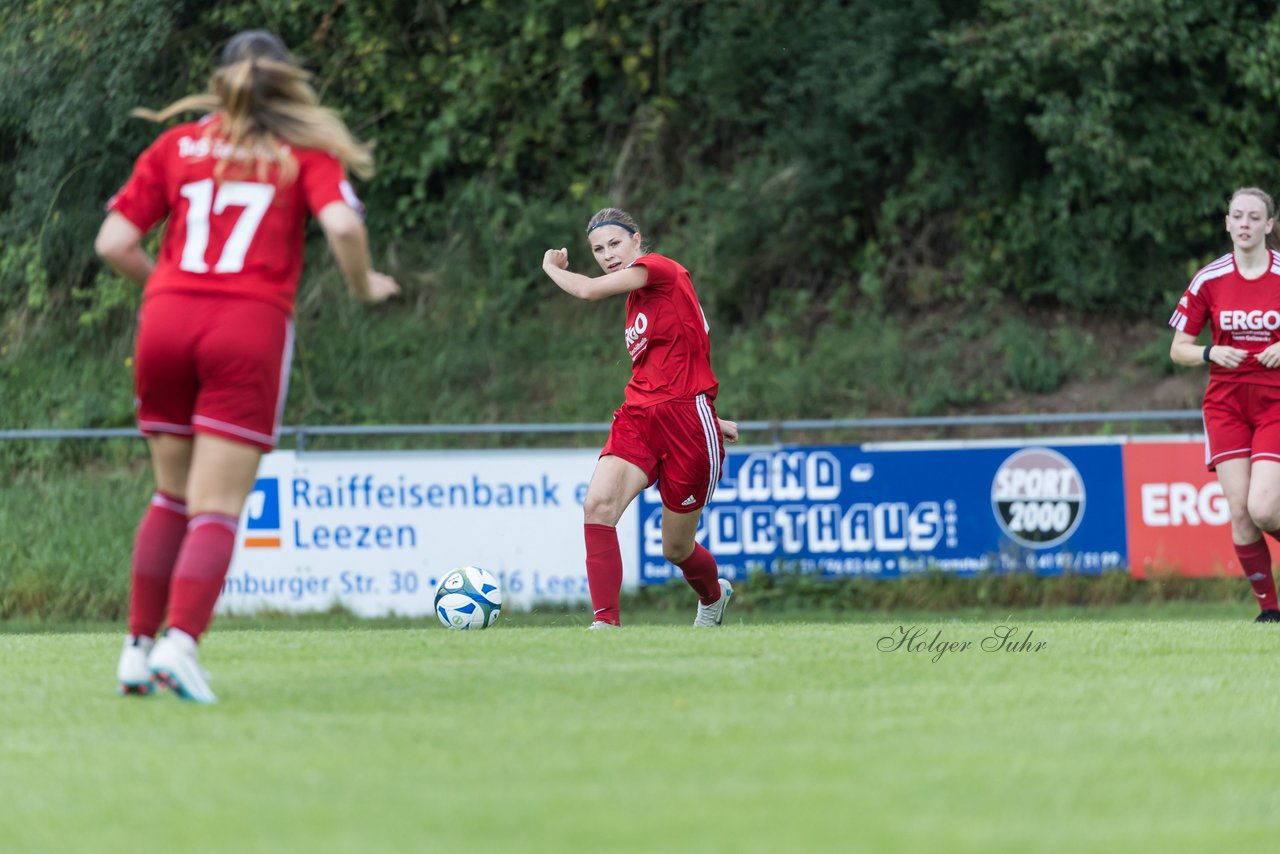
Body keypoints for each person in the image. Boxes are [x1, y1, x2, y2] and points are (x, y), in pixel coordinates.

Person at [95, 30, 400, 702]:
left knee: (169, 497)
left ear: (221, 80)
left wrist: (163, 289)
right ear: (286, 83)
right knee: (219, 506)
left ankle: (135, 651)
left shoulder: (175, 145)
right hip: (245, 325)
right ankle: (181, 645)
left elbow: (114, 241)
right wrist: (364, 285)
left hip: (165, 320)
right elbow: (345, 229)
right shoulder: (302, 150)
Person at [541, 208, 738, 628]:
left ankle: (713, 595)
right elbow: (669, 364)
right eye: (598, 249)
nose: (608, 255)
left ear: (636, 240)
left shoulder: (658, 268)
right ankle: (605, 624)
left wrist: (550, 268)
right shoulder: (637, 302)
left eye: (614, 243)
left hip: (686, 426)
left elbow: (588, 292)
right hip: (640, 419)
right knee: (597, 506)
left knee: (675, 549)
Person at [1169, 186, 1280, 623]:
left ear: (1270, 224)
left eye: (1256, 217)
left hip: (1275, 402)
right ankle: (1270, 613)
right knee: (1240, 513)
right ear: (1228, 223)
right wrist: (1209, 353)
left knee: (1264, 508)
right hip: (1227, 405)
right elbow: (1178, 348)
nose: (1246, 224)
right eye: (1239, 216)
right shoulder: (1208, 279)